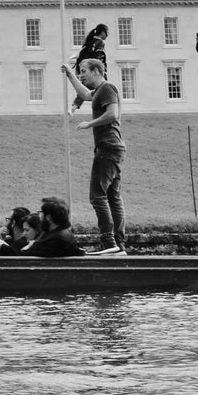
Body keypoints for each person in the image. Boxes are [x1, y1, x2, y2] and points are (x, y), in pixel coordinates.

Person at [60, 57, 128, 255]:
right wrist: (70, 75)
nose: (82, 74)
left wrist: (89, 124)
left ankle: (109, 243)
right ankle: (118, 246)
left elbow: (113, 114)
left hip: (108, 148)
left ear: (97, 71)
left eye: (84, 70)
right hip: (113, 148)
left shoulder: (107, 89)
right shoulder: (99, 91)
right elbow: (85, 94)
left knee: (97, 196)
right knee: (113, 197)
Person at [0, 198, 83, 257]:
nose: (39, 216)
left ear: (48, 217)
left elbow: (24, 258)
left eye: (41, 213)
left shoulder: (57, 239)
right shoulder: (55, 233)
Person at [71, 24, 108, 110]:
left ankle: (74, 106)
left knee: (84, 90)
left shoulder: (89, 42)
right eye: (107, 32)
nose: (107, 35)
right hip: (95, 70)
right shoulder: (100, 43)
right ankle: (105, 107)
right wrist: (101, 69)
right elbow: (100, 55)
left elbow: (81, 55)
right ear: (102, 32)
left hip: (87, 70)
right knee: (104, 89)